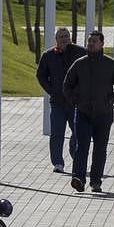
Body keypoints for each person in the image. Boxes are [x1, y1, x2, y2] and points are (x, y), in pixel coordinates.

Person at [62, 30, 114, 193]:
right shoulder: (80, 63)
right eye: (89, 41)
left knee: (100, 148)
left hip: (103, 114)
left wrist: (110, 100)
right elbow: (67, 85)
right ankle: (78, 178)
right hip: (83, 112)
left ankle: (96, 181)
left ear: (101, 44)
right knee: (81, 146)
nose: (91, 44)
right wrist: (75, 100)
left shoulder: (111, 64)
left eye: (94, 41)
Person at [36, 28, 86, 172]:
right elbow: (41, 75)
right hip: (57, 102)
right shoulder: (48, 55)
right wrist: (51, 91)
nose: (64, 39)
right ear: (56, 39)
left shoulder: (80, 52)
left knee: (78, 132)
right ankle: (58, 162)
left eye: (66, 36)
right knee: (57, 133)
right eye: (61, 37)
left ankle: (75, 155)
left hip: (75, 102)